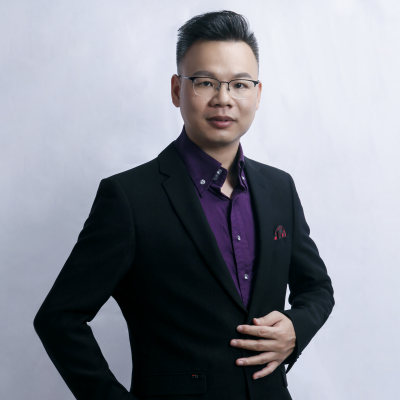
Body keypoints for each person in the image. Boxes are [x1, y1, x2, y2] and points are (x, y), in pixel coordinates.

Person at [34, 10, 334, 400]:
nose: (223, 99)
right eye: (205, 82)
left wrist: (296, 328)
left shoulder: (279, 188)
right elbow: (59, 318)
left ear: (257, 94)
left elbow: (317, 288)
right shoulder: (129, 198)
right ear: (177, 90)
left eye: (239, 84)